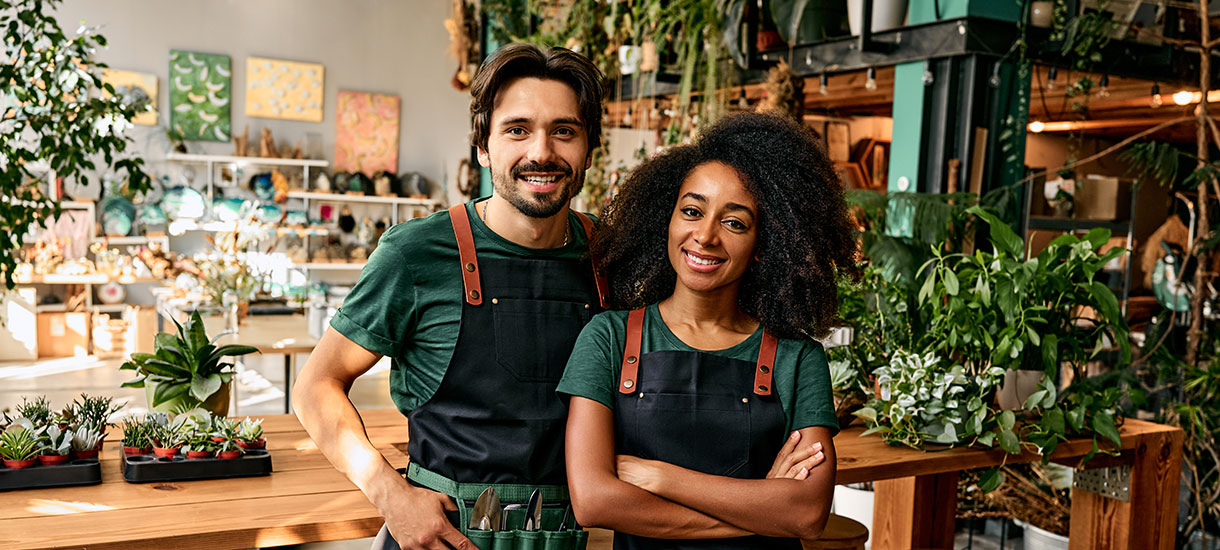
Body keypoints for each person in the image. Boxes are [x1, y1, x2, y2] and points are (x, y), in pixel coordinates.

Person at [293, 43, 610, 550]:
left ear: (589, 149)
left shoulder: (611, 257)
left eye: (564, 131)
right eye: (517, 129)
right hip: (442, 537)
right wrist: (389, 494)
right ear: (483, 148)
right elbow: (315, 385)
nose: (542, 152)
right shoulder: (416, 254)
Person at [558, 112, 861, 549]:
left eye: (735, 222)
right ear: (667, 219)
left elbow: (808, 512)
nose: (705, 235)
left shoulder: (797, 359)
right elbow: (594, 501)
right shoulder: (608, 338)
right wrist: (763, 513)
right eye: (692, 211)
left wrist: (661, 477)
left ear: (764, 246)